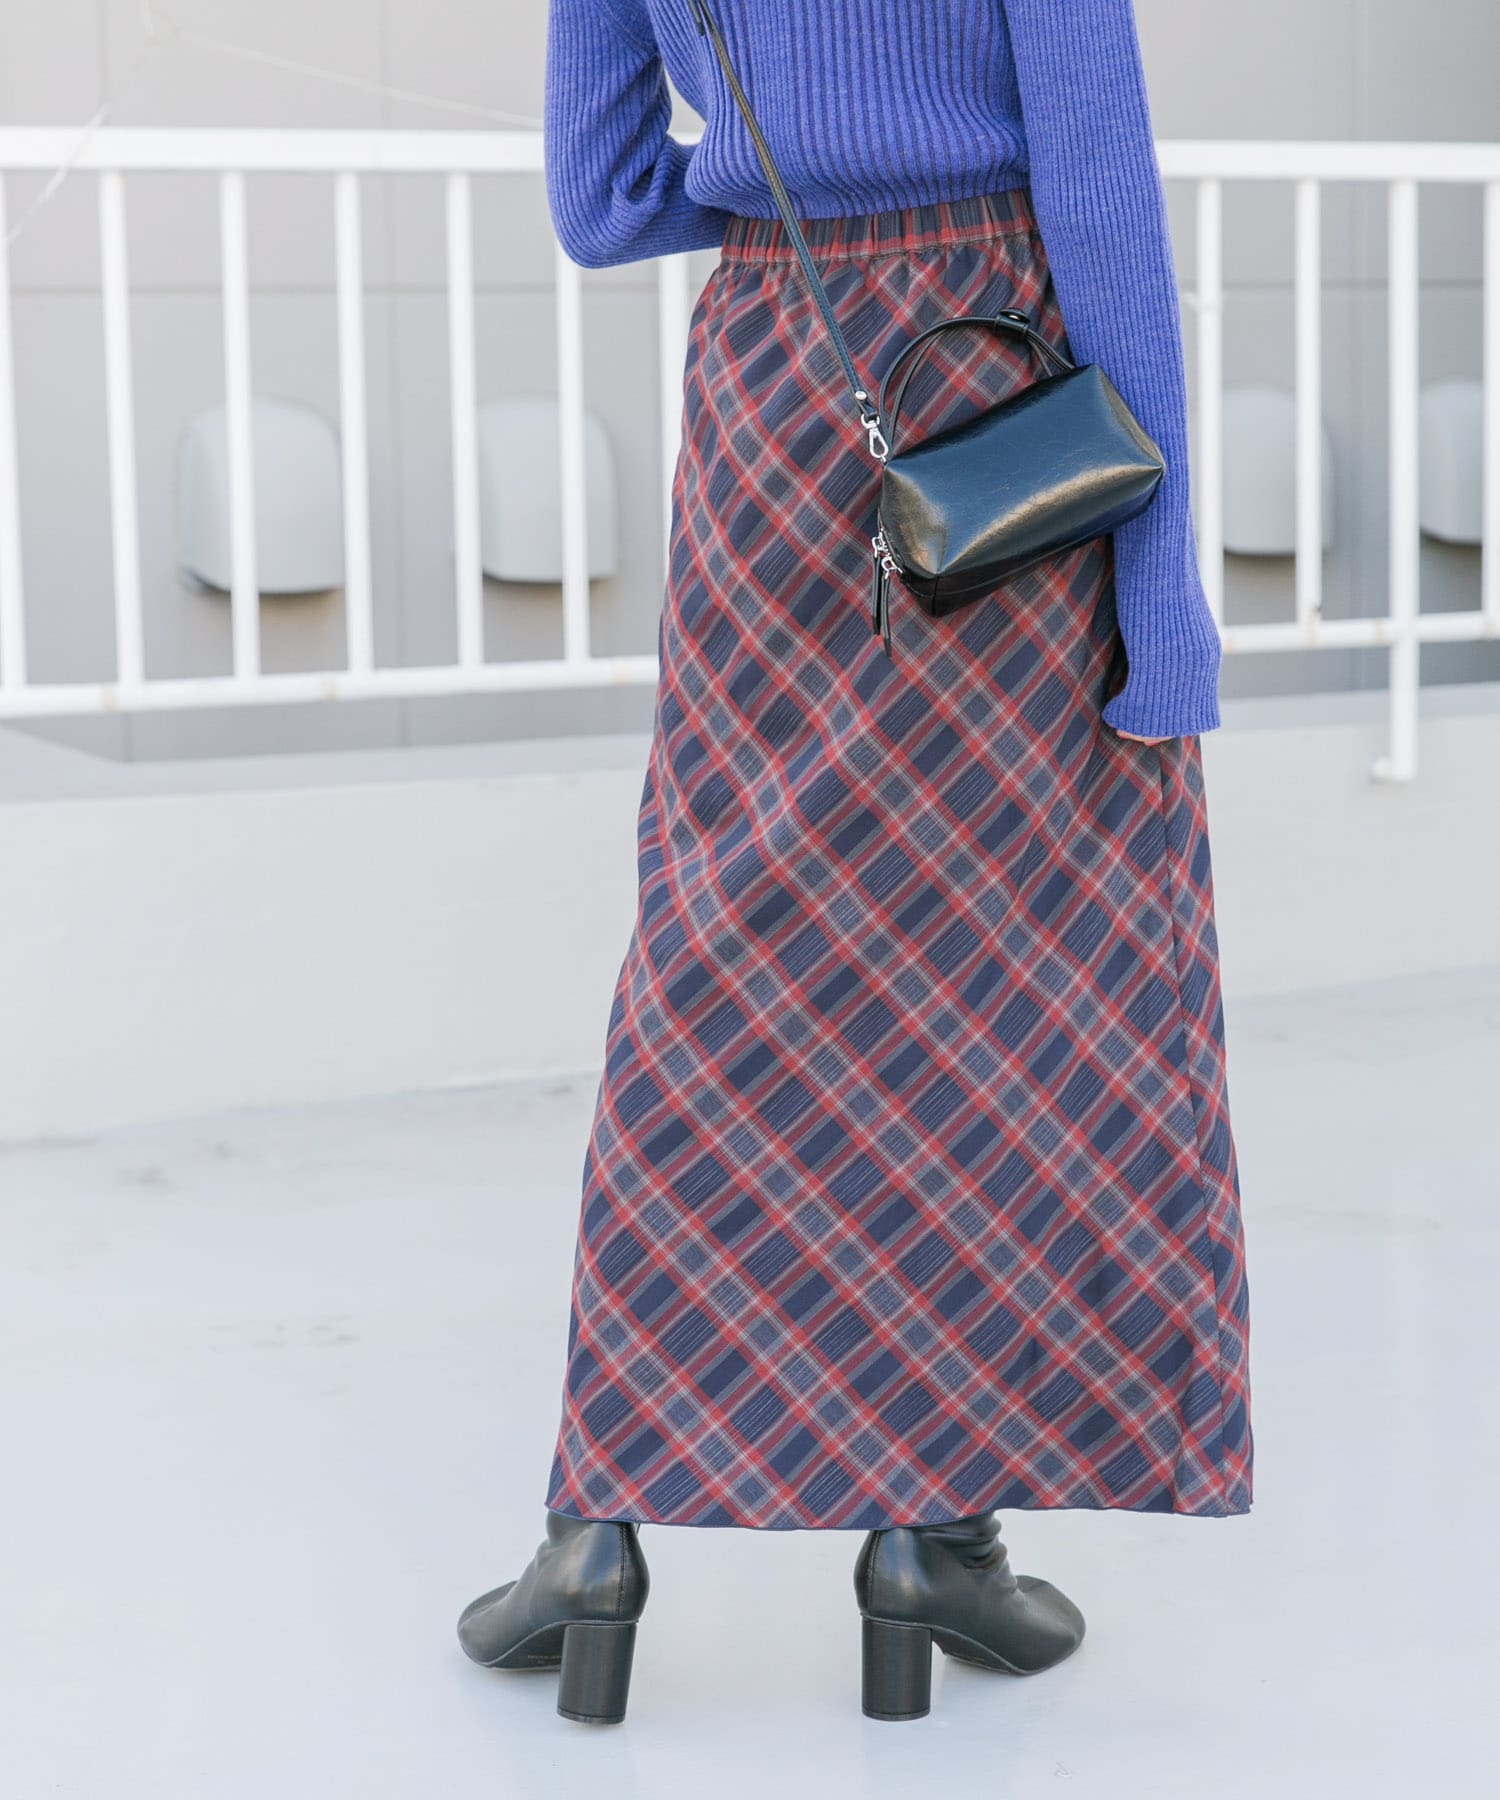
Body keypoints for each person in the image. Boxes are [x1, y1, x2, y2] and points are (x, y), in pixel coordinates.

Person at [456, 0, 1252, 1726]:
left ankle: (596, 1532)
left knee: (722, 946)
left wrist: (789, 181)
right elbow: (1101, 199)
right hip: (995, 417)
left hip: (776, 393)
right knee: (1004, 980)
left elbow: (602, 200)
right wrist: (1161, 586)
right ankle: (931, 1532)